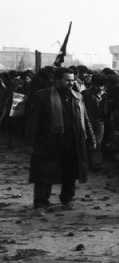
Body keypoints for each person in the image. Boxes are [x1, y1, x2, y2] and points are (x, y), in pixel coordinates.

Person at [26, 67, 96, 216]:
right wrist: (30, 143)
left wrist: (91, 137)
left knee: (70, 172)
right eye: (67, 80)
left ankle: (67, 199)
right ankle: (40, 203)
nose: (71, 83)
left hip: (73, 142)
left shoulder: (77, 96)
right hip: (48, 142)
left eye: (72, 80)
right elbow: (33, 121)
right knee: (44, 174)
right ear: (56, 80)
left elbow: (85, 118)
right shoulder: (42, 96)